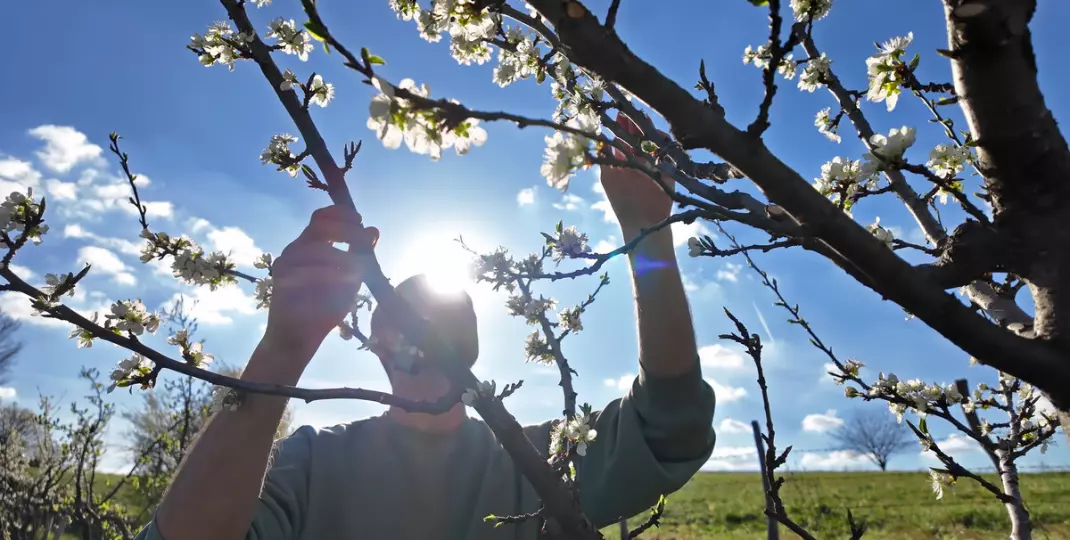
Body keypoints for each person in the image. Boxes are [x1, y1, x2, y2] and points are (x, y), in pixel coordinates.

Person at [135, 113, 717, 540]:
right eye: (402, 314)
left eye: (444, 316)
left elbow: (670, 425)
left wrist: (646, 234)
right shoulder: (307, 465)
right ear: (376, 342)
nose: (422, 328)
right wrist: (281, 352)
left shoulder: (537, 461)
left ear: (471, 344)